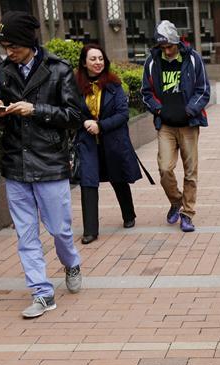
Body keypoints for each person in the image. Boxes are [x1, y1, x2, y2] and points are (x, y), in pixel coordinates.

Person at [0, 11, 84, 318]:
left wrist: (35, 109)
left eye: (13, 45)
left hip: (50, 163)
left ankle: (71, 262)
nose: (9, 51)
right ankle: (42, 293)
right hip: (15, 164)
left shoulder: (58, 69)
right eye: (5, 46)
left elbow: (74, 117)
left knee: (59, 229)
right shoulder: (3, 71)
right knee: (26, 234)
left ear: (29, 41)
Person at [141, 20, 210, 233]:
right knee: (164, 168)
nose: (167, 51)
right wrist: (160, 110)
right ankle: (176, 201)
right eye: (163, 47)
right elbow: (146, 93)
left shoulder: (193, 58)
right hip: (166, 126)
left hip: (189, 124)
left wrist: (189, 110)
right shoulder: (152, 62)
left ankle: (187, 214)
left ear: (177, 42)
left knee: (190, 172)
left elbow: (203, 89)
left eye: (170, 46)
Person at [73, 44, 143, 245]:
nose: (98, 63)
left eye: (100, 59)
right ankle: (90, 230)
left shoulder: (114, 84)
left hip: (111, 141)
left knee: (117, 178)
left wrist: (100, 126)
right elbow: (69, 111)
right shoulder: (74, 86)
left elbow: (123, 114)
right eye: (93, 59)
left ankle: (129, 214)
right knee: (88, 181)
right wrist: (83, 122)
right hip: (87, 143)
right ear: (84, 63)